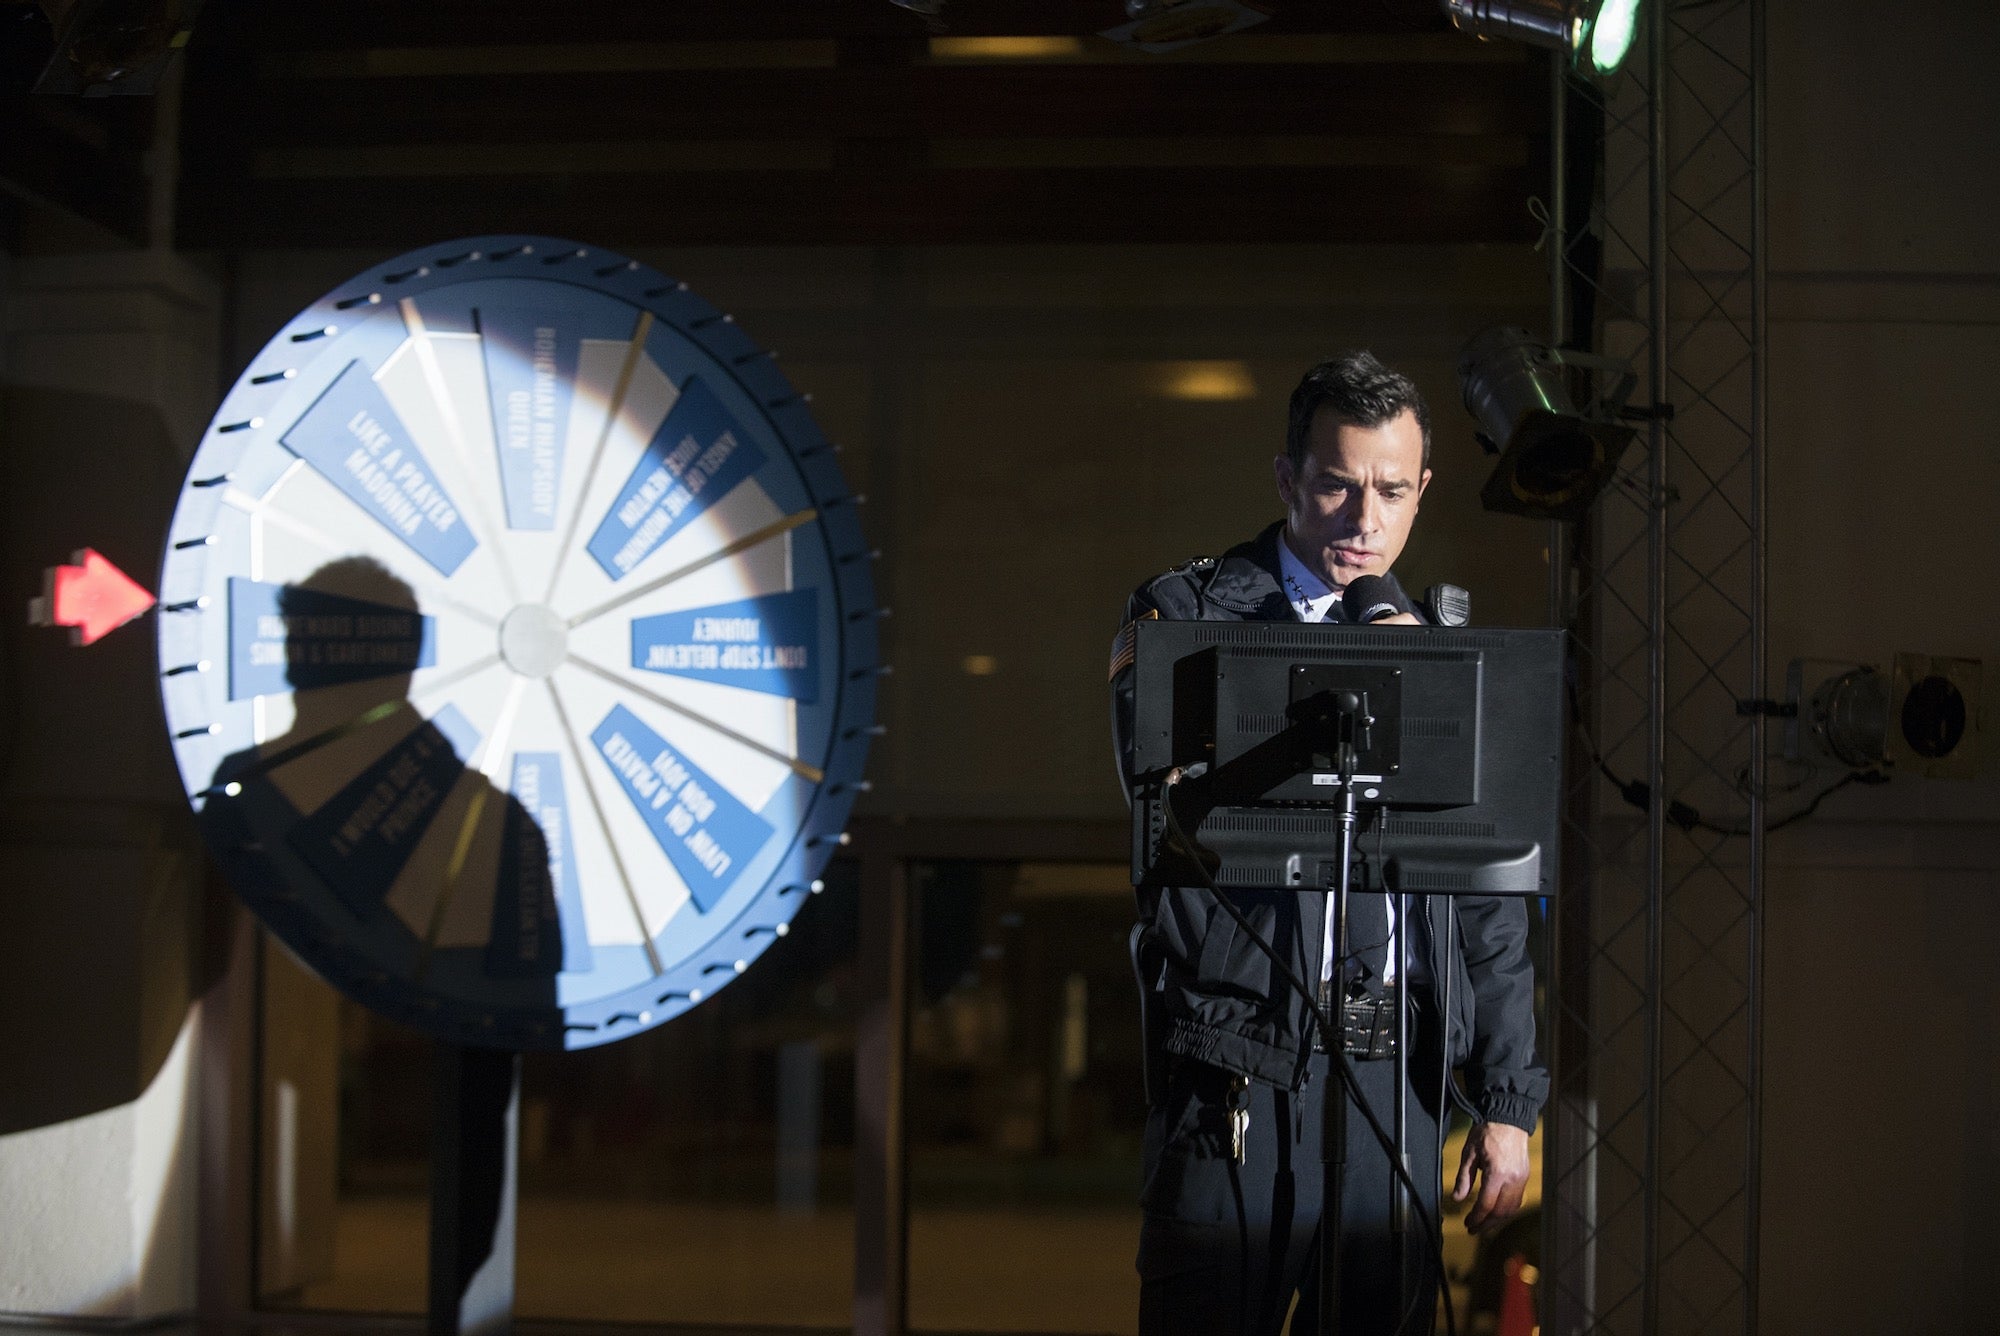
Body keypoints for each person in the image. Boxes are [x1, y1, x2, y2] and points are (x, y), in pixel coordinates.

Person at [1110, 351, 1547, 1335]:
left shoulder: (1438, 642)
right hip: (1240, 1056)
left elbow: (1484, 892)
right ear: (1284, 479)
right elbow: (1172, 818)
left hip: (1379, 1043)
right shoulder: (1182, 614)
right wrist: (1364, 662)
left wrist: (1508, 1099)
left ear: (1423, 490)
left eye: (1391, 491)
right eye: (1335, 485)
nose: (1364, 520)